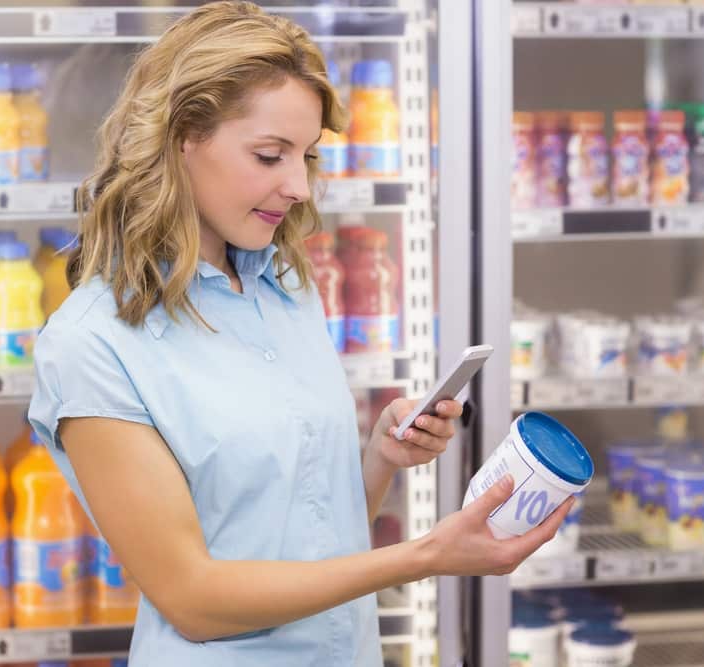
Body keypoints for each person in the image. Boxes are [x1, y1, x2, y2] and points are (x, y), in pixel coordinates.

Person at [28, 2, 571, 665]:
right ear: (179, 139)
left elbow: (311, 530)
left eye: (306, 155)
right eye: (268, 154)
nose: (296, 186)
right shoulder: (92, 344)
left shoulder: (284, 285)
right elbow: (191, 596)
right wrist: (425, 556)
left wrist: (378, 459)